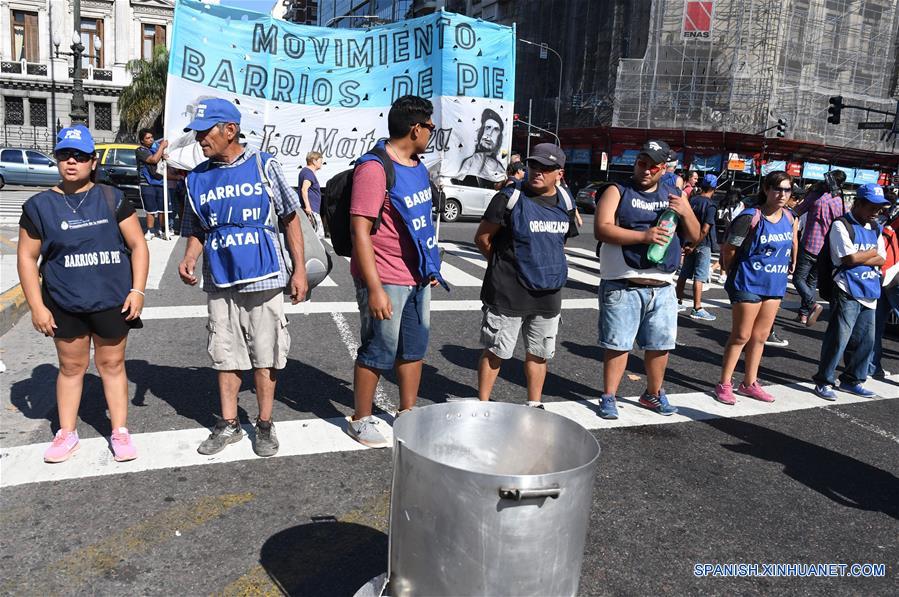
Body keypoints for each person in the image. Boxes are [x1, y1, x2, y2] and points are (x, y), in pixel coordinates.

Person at [177, 98, 308, 457]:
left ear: (230, 130)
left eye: (205, 132)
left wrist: (299, 270)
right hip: (220, 278)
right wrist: (189, 257)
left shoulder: (265, 166)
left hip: (265, 274)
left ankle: (264, 425)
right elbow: (195, 227)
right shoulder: (197, 178)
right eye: (198, 133)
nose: (200, 139)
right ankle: (229, 423)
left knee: (265, 353)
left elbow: (290, 218)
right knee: (224, 352)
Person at [17, 125, 149, 463]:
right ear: (57, 160)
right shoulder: (39, 206)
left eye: (79, 156)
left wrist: (137, 290)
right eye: (64, 155)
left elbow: (137, 245)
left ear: (92, 161)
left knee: (112, 364)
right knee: (71, 367)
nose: (71, 162)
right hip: (65, 303)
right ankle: (67, 432)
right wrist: (37, 306)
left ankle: (119, 430)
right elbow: (27, 258)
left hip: (112, 301)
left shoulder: (111, 197)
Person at [347, 95, 445, 448]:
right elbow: (360, 230)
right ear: (415, 128)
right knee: (378, 349)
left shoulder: (418, 165)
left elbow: (419, 224)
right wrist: (374, 289)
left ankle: (407, 412)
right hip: (385, 277)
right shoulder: (374, 168)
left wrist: (430, 265)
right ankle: (360, 418)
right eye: (430, 126)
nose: (432, 133)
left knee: (414, 349)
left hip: (418, 277)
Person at [594, 140, 700, 419]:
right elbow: (602, 229)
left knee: (660, 345)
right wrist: (643, 237)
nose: (646, 170)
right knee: (618, 345)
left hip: (663, 286)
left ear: (663, 168)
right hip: (623, 282)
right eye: (642, 163)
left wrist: (686, 210)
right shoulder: (617, 191)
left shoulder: (674, 194)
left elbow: (695, 235)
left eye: (653, 166)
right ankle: (609, 396)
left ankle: (653, 393)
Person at [475, 143, 579, 407]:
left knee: (539, 353)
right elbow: (483, 238)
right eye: (534, 165)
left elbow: (559, 243)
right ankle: (483, 404)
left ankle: (534, 404)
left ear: (560, 173)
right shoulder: (509, 197)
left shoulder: (566, 201)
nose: (538, 172)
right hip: (508, 292)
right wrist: (504, 266)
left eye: (546, 168)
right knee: (496, 350)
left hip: (548, 293)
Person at [714, 172, 798, 404]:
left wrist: (792, 262)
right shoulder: (750, 217)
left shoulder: (790, 217)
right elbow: (729, 248)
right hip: (747, 282)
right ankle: (725, 383)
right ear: (766, 189)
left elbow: (792, 242)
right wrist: (730, 271)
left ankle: (749, 382)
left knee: (760, 337)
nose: (782, 194)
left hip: (775, 283)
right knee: (741, 335)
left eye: (787, 190)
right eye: (778, 189)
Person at [812, 184, 888, 399]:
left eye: (880, 207)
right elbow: (849, 258)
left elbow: (882, 258)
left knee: (866, 340)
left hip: (869, 289)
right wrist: (870, 254)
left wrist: (863, 255)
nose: (876, 212)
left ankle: (852, 380)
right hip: (846, 287)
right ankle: (824, 381)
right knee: (839, 337)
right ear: (859, 203)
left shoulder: (875, 227)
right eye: (872, 206)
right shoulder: (841, 225)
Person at [793, 170, 847, 326]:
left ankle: (811, 304)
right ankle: (803, 314)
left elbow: (798, 211)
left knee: (798, 278)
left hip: (809, 243)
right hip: (826, 249)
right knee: (811, 281)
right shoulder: (839, 202)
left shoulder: (815, 196)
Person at [675, 174, 717, 321]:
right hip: (702, 244)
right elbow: (705, 229)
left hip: (688, 241)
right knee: (699, 277)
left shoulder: (692, 200)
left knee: (684, 273)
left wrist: (688, 243)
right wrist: (695, 245)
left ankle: (677, 300)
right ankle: (697, 307)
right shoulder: (710, 205)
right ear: (714, 188)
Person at [453, 108, 506, 185]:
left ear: (499, 138)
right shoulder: (471, 161)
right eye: (488, 128)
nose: (489, 134)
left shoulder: (499, 167)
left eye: (495, 130)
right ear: (481, 132)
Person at [135, 128, 169, 240]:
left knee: (162, 208)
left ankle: (161, 229)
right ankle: (150, 230)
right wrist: (161, 147)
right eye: (147, 138)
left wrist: (162, 155)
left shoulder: (156, 149)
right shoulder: (140, 150)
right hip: (147, 183)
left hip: (160, 182)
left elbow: (160, 159)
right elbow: (153, 160)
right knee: (150, 209)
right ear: (142, 141)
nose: (151, 140)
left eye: (151, 137)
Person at [715, 188, 745, 283]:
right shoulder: (739, 204)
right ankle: (715, 270)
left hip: (720, 230)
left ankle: (722, 274)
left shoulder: (722, 203)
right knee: (729, 253)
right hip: (732, 231)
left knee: (723, 252)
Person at [298, 151, 325, 239]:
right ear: (314, 161)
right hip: (311, 210)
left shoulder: (306, 172)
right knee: (316, 237)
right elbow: (304, 190)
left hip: (312, 209)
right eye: (320, 161)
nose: (321, 163)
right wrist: (308, 207)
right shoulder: (308, 173)